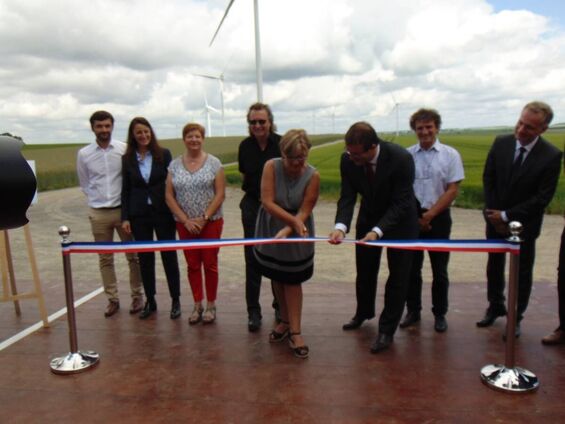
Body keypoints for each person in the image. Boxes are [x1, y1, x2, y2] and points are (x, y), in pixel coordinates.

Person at [329, 122, 419, 353]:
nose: (352, 158)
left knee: (398, 277)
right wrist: (340, 226)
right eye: (350, 152)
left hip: (401, 222)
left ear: (373, 147)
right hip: (368, 216)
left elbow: (401, 202)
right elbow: (347, 195)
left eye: (357, 154)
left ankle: (386, 330)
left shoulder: (401, 159)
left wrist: (378, 231)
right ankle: (363, 312)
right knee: (365, 270)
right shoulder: (348, 160)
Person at [478, 101, 562, 338]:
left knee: (522, 272)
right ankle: (495, 306)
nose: (521, 130)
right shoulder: (501, 143)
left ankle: (516, 317)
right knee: (494, 266)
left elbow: (542, 198)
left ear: (543, 130)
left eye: (529, 128)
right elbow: (489, 178)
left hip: (524, 226)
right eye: (520, 123)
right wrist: (493, 214)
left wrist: (507, 216)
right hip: (494, 220)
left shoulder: (551, 156)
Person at [254, 129, 320, 359]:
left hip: (297, 229)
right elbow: (267, 201)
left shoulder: (313, 175)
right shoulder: (271, 167)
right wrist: (286, 223)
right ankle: (283, 320)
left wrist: (291, 226)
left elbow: (306, 208)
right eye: (294, 158)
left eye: (303, 157)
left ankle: (296, 331)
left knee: (293, 279)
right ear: (283, 154)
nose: (299, 163)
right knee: (277, 275)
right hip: (272, 225)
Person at [400, 109, 464, 333]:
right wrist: (418, 216)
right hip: (412, 220)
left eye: (429, 127)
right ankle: (413, 311)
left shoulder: (450, 155)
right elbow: (403, 189)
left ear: (437, 127)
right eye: (420, 128)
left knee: (440, 270)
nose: (425, 132)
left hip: (439, 219)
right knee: (411, 270)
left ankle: (440, 313)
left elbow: (452, 189)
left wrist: (430, 214)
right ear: (414, 130)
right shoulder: (406, 155)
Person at [77, 110, 144, 317]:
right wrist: (96, 201)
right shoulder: (84, 154)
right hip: (99, 213)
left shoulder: (124, 150)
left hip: (123, 212)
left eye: (107, 126)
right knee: (105, 258)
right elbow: (85, 182)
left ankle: (137, 296)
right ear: (93, 128)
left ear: (112, 126)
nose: (104, 130)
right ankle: (112, 299)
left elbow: (131, 179)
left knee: (133, 257)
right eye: (100, 126)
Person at [121, 117, 181, 320]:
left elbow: (171, 184)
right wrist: (125, 217)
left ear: (151, 133)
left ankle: (175, 300)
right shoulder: (127, 158)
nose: (143, 135)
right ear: (133, 135)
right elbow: (126, 189)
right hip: (139, 214)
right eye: (139, 132)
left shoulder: (163, 154)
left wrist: (176, 210)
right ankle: (151, 300)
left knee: (169, 256)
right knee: (145, 259)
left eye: (146, 131)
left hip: (163, 212)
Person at [166, 123, 225, 325]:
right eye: (190, 136)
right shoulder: (174, 165)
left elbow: (220, 193)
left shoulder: (214, 163)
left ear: (203, 139)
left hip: (211, 222)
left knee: (210, 264)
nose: (194, 140)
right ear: (184, 139)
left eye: (197, 136)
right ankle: (197, 303)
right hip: (185, 224)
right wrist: (185, 220)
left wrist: (204, 217)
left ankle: (211, 304)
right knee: (192, 265)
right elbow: (169, 195)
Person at [238, 102, 281, 332]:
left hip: (276, 208)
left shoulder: (281, 144)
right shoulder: (244, 146)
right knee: (252, 258)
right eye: (253, 122)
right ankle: (253, 311)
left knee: (276, 256)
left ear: (270, 122)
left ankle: (279, 305)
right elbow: (246, 174)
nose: (257, 125)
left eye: (261, 121)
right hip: (252, 207)